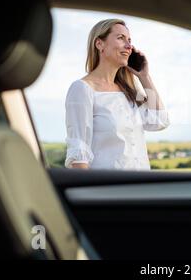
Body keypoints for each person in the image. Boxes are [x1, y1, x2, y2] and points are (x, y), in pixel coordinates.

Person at [64, 18, 169, 170]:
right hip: (107, 189)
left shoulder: (130, 91)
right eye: (120, 38)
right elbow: (79, 153)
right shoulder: (82, 89)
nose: (129, 46)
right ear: (99, 44)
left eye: (129, 40)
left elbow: (159, 120)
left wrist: (144, 77)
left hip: (141, 188)